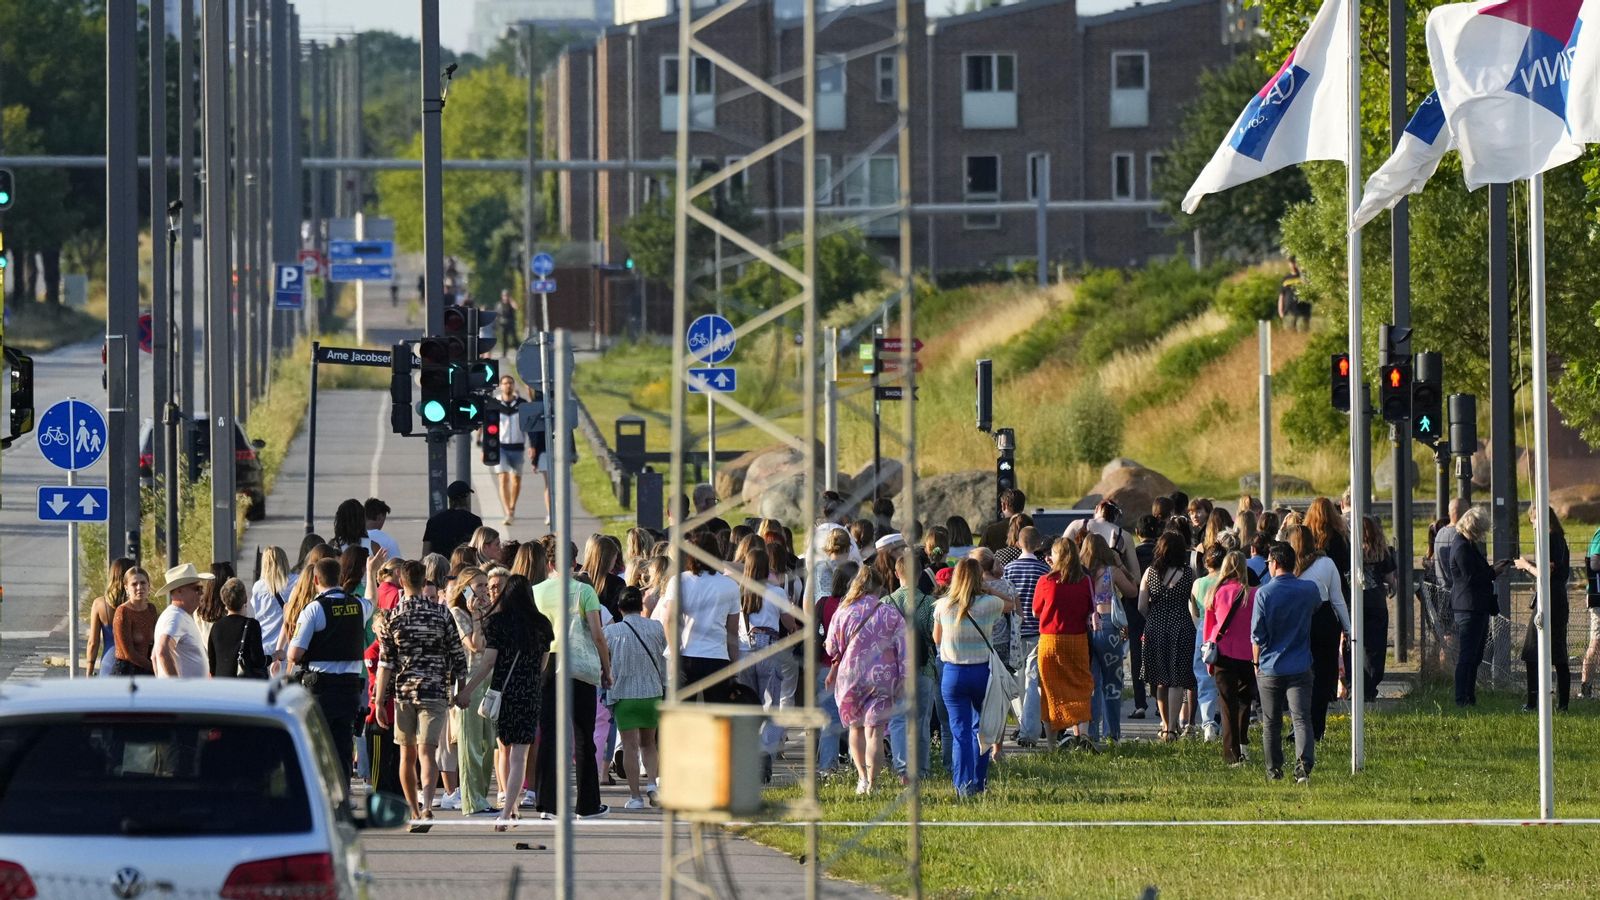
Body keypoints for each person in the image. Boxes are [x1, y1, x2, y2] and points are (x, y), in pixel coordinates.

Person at [458, 575, 555, 831]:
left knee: (504, 750)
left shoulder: (498, 623)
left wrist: (467, 690)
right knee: (520, 756)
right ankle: (508, 809)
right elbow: (543, 664)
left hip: (504, 694)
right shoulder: (542, 624)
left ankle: (508, 808)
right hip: (530, 694)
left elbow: (488, 662)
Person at [376, 560, 468, 829]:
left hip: (404, 692)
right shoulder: (441, 614)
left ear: (402, 582)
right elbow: (457, 654)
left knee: (407, 755)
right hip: (435, 690)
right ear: (423, 580)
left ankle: (414, 811)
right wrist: (462, 688)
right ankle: (427, 805)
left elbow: (386, 664)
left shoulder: (394, 617)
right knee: (428, 752)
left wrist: (379, 701)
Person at [532, 551, 614, 819]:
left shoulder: (537, 591)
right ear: (574, 563)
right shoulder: (584, 591)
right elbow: (598, 634)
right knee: (583, 736)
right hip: (579, 664)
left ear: (550, 564)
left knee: (549, 735)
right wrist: (607, 669)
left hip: (547, 662)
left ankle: (547, 804)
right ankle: (587, 805)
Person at [287, 557, 371, 785]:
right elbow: (372, 602)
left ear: (315, 580)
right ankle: (342, 793)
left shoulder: (314, 609)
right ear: (340, 577)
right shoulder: (359, 605)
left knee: (317, 747)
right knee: (343, 746)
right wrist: (371, 572)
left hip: (321, 689)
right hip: (350, 689)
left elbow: (294, 654)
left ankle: (321, 794)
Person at [824, 565, 906, 795]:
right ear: (878, 587)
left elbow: (831, 648)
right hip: (882, 678)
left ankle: (862, 779)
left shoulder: (843, 611)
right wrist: (904, 677)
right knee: (875, 732)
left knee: (855, 729)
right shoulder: (890, 613)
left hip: (851, 677)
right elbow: (904, 647)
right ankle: (874, 783)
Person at [932, 558, 1009, 796]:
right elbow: (1011, 603)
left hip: (953, 673)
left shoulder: (942, 605)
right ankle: (979, 781)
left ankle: (962, 785)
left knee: (960, 733)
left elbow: (936, 638)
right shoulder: (989, 604)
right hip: (981, 672)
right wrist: (989, 589)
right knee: (981, 730)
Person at [1253, 542, 1320, 782]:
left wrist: (1255, 663)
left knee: (1271, 723)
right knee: (1301, 718)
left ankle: (1274, 770)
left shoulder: (1264, 593)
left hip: (1270, 665)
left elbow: (1257, 635)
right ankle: (1303, 767)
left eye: (1268, 562)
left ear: (1275, 563)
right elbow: (1316, 606)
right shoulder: (1309, 589)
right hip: (1300, 663)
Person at [737, 538, 800, 783]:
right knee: (772, 706)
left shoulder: (739, 592)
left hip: (744, 651)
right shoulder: (777, 592)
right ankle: (764, 750)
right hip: (770, 649)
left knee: (748, 706)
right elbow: (789, 623)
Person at [654, 532, 741, 702]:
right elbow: (732, 631)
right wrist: (734, 664)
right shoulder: (730, 586)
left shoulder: (679, 581)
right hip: (717, 657)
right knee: (717, 713)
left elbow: (669, 620)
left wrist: (674, 656)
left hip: (686, 655)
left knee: (683, 713)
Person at [603, 586, 668, 808]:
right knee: (649, 743)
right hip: (652, 692)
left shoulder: (611, 632)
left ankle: (635, 797)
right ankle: (652, 784)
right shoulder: (656, 627)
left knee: (630, 746)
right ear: (641, 606)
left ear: (619, 607)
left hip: (624, 694)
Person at [1286, 526, 1352, 738]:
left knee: (1297, 675)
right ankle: (1317, 727)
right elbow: (1337, 598)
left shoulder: (1288, 565)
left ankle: (1298, 725)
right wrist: (1348, 628)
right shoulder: (1326, 563)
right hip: (1324, 620)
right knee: (1323, 676)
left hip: (1297, 619)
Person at [1032, 537, 1095, 747]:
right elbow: (1090, 608)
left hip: (1050, 641)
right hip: (1077, 639)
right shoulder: (1085, 581)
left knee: (1050, 690)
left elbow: (1035, 611)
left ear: (1056, 556)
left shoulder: (1045, 581)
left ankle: (1052, 743)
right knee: (1081, 685)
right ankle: (1083, 735)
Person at [885, 551, 940, 780]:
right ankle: (922, 769)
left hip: (895, 671)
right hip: (923, 667)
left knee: (898, 720)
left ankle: (902, 768)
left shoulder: (886, 603)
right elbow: (935, 637)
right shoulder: (929, 603)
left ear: (897, 574)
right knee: (922, 721)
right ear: (920, 575)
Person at [1139, 531, 1197, 740]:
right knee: (1177, 680)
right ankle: (1173, 727)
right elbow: (1195, 603)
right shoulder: (1188, 573)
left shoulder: (1150, 572)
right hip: (1181, 626)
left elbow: (1141, 606)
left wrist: (1154, 617)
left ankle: (1164, 726)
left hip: (1155, 627)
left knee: (1160, 680)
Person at [447, 566, 496, 814]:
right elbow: (475, 645)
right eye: (479, 586)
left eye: (486, 585)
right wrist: (476, 616)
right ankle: (471, 799)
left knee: (489, 743)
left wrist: (487, 612)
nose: (485, 590)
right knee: (471, 743)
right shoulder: (457, 612)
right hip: (469, 679)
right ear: (466, 589)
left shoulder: (489, 610)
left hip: (489, 676)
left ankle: (482, 796)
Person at [1515, 507, 1572, 711]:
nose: (1533, 527)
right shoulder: (1560, 539)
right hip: (1558, 598)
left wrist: (1526, 566)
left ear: (1539, 519)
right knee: (1558, 652)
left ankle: (1533, 703)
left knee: (1532, 651)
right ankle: (1563, 705)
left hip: (1549, 599)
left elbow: (1546, 572)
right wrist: (1531, 563)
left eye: (1533, 522)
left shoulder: (1550, 538)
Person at [1449, 509, 1507, 707]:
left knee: (1475, 655)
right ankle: (1461, 698)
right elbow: (1471, 578)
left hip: (1476, 606)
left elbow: (1475, 573)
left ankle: (1469, 696)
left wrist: (1492, 569)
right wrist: (1493, 572)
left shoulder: (1467, 545)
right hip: (1469, 607)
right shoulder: (1462, 547)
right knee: (1467, 655)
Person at [1203, 552, 1256, 766]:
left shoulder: (1215, 592)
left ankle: (1231, 754)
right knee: (1244, 701)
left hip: (1222, 653)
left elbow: (1209, 628)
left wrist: (1209, 660)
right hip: (1247, 654)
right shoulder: (1252, 594)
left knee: (1227, 704)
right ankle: (1242, 743)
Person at [1081, 533, 1135, 743]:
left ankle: (1091, 733)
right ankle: (1112, 733)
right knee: (1112, 682)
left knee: (1091, 683)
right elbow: (1132, 591)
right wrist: (1121, 564)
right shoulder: (1111, 572)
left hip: (1086, 627)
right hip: (1108, 627)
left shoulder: (1080, 573)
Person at [1003, 526, 1051, 746]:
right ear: (1039, 544)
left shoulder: (1009, 568)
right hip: (1037, 631)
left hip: (1015, 631)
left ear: (1018, 543)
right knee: (1032, 681)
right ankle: (1029, 729)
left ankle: (1023, 724)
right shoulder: (1043, 569)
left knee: (1017, 680)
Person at [1186, 543, 1228, 741]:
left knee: (1204, 678)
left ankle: (1208, 723)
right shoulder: (1228, 582)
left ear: (1206, 563)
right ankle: (1224, 721)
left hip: (1204, 630)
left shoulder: (1198, 583)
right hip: (1225, 630)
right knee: (1225, 678)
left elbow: (1194, 612)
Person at [1355, 516, 1397, 702]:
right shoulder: (1381, 551)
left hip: (1356, 602)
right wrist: (1393, 586)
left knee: (1357, 644)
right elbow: (1390, 578)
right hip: (1376, 602)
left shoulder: (1352, 551)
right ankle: (1371, 685)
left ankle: (1357, 684)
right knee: (1376, 647)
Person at [152, 564, 216, 679]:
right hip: (185, 689)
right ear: (180, 591)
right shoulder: (175, 617)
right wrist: (177, 685)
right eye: (197, 589)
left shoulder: (178, 615)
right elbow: (162, 650)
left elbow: (154, 657)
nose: (202, 593)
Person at [1127, 514, 1161, 718]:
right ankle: (1159, 701)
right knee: (1157, 655)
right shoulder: (1162, 555)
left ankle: (1140, 703)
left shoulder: (1133, 555)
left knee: (1137, 656)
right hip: (1157, 610)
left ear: (1137, 533)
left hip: (1134, 609)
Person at [487, 376, 530, 526]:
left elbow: (528, 425)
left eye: (510, 383)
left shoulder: (522, 404)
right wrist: (484, 446)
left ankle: (512, 506)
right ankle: (508, 511)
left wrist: (532, 445)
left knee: (516, 479)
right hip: (501, 446)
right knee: (503, 477)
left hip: (517, 446)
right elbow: (487, 424)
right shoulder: (495, 404)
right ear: (500, 386)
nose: (508, 386)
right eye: (505, 383)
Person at [209, 578, 268, 678]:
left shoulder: (216, 626)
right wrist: (275, 656)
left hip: (221, 683)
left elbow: (212, 663)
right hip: (242, 684)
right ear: (245, 599)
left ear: (224, 600)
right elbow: (258, 661)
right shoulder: (252, 625)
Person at [87, 557, 135, 677]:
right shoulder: (138, 604)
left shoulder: (99, 604)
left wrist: (89, 671)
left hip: (109, 662)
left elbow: (93, 643)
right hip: (134, 663)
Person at [250, 546, 291, 674]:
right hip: (285, 647)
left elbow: (255, 612)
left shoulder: (258, 587)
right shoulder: (293, 582)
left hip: (263, 645)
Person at [112, 567, 159, 676]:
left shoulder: (151, 609)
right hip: (126, 671)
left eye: (143, 583)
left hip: (147, 669)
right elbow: (128, 653)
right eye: (134, 584)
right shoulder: (123, 612)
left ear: (148, 586)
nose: (139, 587)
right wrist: (154, 668)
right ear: (126, 588)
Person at [422, 481, 484, 557]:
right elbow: (480, 550)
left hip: (439, 563)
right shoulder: (474, 521)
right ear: (466, 497)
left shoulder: (433, 521)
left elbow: (425, 553)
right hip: (465, 563)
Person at [1278, 256, 1309, 331]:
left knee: (1302, 333)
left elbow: (1308, 287)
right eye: (1291, 262)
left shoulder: (1303, 277)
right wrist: (1280, 311)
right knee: (1289, 334)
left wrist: (1302, 272)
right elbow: (1281, 295)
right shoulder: (1286, 278)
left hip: (1302, 312)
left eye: (1295, 262)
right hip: (1288, 312)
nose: (1293, 264)